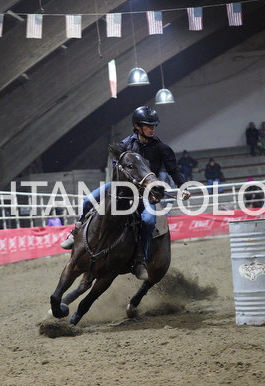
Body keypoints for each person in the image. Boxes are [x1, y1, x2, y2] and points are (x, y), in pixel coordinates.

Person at [60, 105, 191, 280]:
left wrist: (183, 187)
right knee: (87, 200)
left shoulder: (162, 148)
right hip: (121, 188)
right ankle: (76, 232)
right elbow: (117, 169)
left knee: (148, 221)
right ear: (137, 126)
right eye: (148, 125)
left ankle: (140, 260)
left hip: (146, 192)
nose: (152, 128)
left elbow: (173, 170)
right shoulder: (126, 144)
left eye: (154, 125)